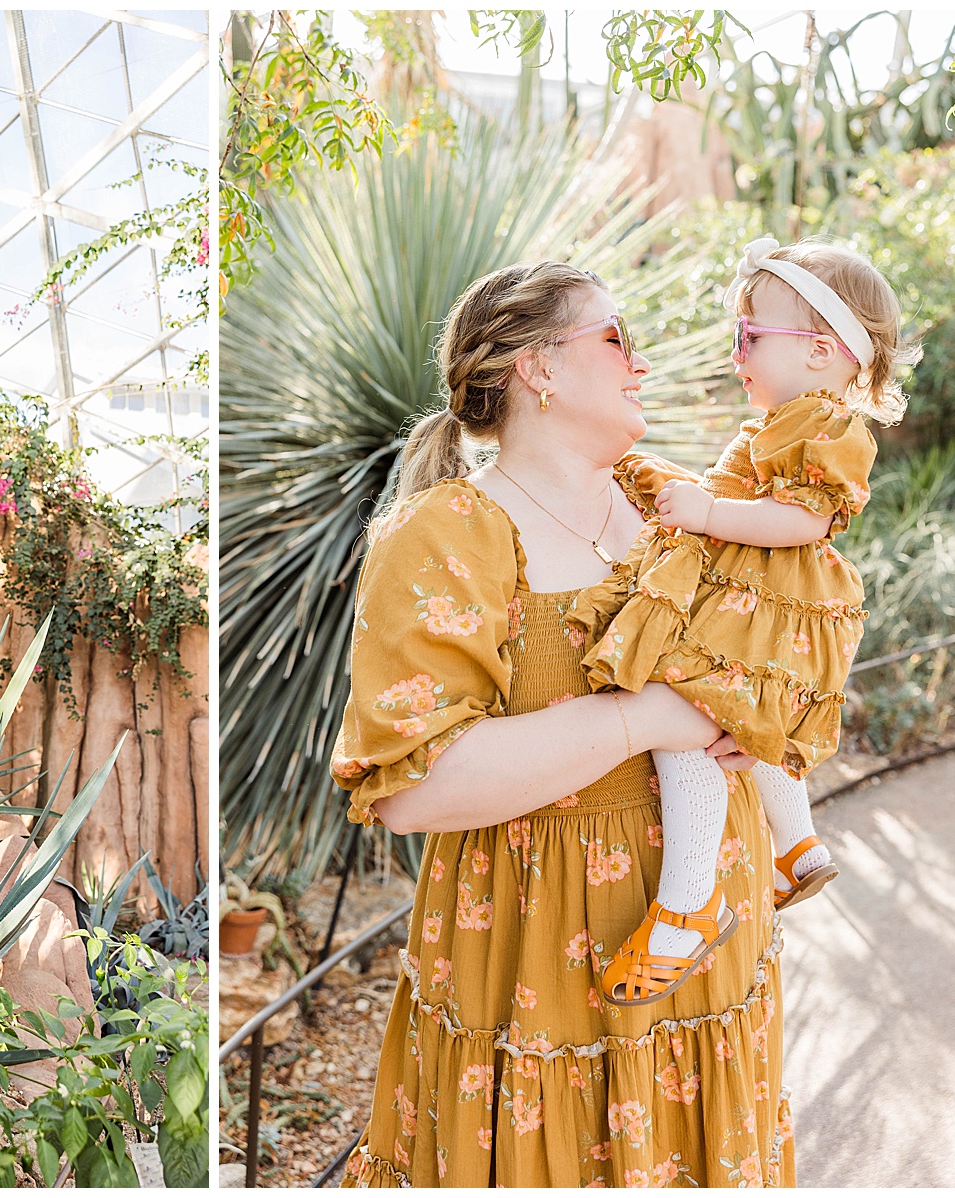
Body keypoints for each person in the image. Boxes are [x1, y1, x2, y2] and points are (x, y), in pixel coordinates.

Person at [331, 260, 792, 1188]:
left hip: (711, 947)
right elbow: (417, 786)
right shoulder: (450, 531)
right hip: (544, 968)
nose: (642, 364)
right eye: (616, 337)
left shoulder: (673, 508)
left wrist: (761, 716)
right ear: (537, 367)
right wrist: (649, 716)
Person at [568, 239, 919, 1007]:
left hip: (769, 607)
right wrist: (677, 488)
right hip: (758, 605)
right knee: (740, 719)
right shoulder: (788, 418)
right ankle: (796, 846)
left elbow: (805, 519)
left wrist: (709, 511)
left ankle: (686, 907)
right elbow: (733, 497)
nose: (736, 354)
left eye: (749, 337)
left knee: (684, 725)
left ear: (822, 351)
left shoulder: (824, 425)